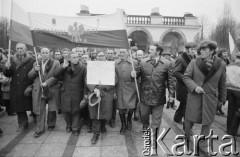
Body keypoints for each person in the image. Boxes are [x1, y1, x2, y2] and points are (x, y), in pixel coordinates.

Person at [183, 40, 226, 151]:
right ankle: (188, 136)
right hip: (194, 97)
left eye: (204, 49)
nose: (201, 51)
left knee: (207, 123)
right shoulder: (194, 62)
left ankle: (203, 146)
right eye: (200, 49)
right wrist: (194, 87)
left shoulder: (221, 64)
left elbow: (222, 83)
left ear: (211, 51)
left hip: (210, 98)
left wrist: (222, 99)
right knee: (188, 121)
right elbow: (186, 77)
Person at [138, 44, 175, 153]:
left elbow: (171, 81)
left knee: (156, 121)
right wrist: (133, 74)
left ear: (158, 52)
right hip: (144, 96)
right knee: (144, 117)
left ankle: (152, 139)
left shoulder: (167, 64)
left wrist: (171, 95)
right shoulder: (143, 62)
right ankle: (145, 126)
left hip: (158, 97)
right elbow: (137, 75)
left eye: (151, 50)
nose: (149, 51)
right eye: (149, 49)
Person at [28, 47, 60, 137]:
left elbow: (57, 76)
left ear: (50, 54)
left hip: (51, 88)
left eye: (46, 52)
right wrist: (35, 70)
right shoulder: (36, 63)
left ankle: (51, 124)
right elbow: (29, 76)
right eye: (43, 53)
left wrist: (48, 82)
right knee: (40, 109)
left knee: (52, 108)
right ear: (40, 54)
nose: (45, 54)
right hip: (39, 90)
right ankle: (40, 128)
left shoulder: (55, 63)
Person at [86, 51, 117, 144]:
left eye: (102, 55)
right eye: (99, 56)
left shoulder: (110, 66)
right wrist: (94, 88)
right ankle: (96, 133)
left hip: (106, 93)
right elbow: (87, 79)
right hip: (94, 93)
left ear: (105, 56)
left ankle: (103, 126)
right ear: (96, 57)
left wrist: (102, 87)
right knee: (95, 114)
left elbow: (115, 79)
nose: (100, 57)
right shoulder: (91, 66)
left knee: (104, 112)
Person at [3, 43, 35, 132]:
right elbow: (7, 74)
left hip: (28, 86)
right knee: (19, 107)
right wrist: (7, 68)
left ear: (25, 49)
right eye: (18, 48)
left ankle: (36, 119)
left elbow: (34, 74)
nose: (19, 50)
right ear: (15, 49)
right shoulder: (11, 60)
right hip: (16, 87)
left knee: (32, 104)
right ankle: (22, 124)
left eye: (21, 48)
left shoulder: (32, 60)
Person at [54, 51, 87, 136]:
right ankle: (68, 125)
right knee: (66, 111)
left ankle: (75, 128)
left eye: (76, 57)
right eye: (73, 57)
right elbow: (55, 74)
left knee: (76, 111)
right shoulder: (65, 66)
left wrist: (85, 94)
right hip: (66, 92)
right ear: (69, 58)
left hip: (77, 93)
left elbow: (85, 82)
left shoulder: (83, 68)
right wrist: (63, 67)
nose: (75, 59)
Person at [173, 42, 197, 126]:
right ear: (187, 50)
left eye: (194, 49)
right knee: (186, 104)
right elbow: (175, 73)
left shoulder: (195, 59)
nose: (193, 51)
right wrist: (186, 79)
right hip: (183, 86)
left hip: (191, 86)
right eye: (191, 49)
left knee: (184, 104)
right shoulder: (181, 59)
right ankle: (185, 123)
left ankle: (177, 118)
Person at [115, 49, 137, 135]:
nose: (122, 54)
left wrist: (136, 74)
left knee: (131, 107)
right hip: (119, 87)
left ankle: (129, 121)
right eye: (120, 52)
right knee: (120, 108)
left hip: (131, 87)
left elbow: (139, 74)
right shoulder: (115, 63)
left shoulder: (134, 62)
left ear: (128, 53)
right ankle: (123, 124)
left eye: (123, 52)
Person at [226, 52, 240, 136]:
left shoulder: (229, 65)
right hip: (238, 90)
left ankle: (229, 128)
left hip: (229, 89)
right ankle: (232, 130)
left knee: (231, 109)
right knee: (238, 110)